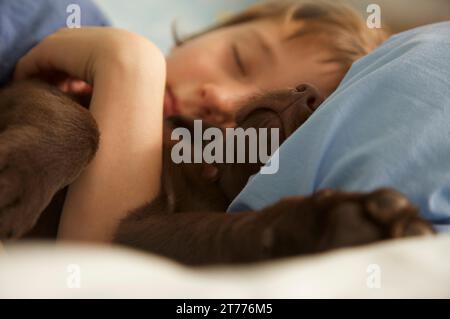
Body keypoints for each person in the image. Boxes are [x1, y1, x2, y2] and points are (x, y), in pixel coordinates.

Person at [12, 0, 387, 242]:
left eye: (263, 117)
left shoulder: (196, 204)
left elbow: (97, 261)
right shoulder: (68, 25)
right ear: (202, 34)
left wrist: (128, 64)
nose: (221, 101)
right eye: (239, 60)